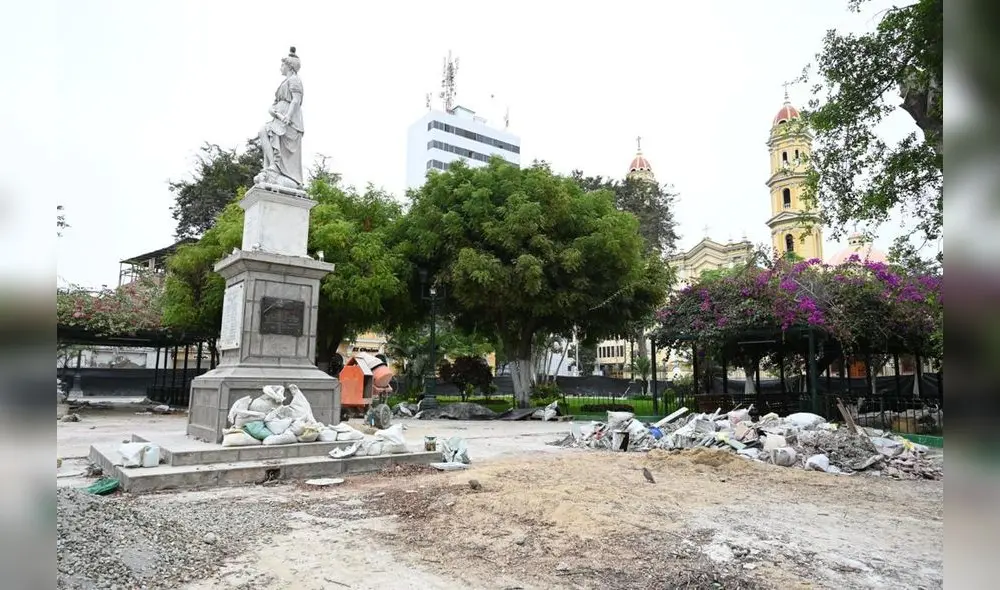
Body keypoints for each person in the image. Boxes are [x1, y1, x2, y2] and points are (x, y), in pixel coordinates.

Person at [257, 47, 304, 188]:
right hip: (278, 117)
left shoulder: (295, 80)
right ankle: (272, 166)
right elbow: (276, 102)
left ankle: (277, 168)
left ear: (289, 66)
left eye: (282, 65)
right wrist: (272, 110)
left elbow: (296, 100)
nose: (280, 68)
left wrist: (288, 117)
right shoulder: (285, 82)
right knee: (263, 131)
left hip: (289, 120)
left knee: (266, 132)